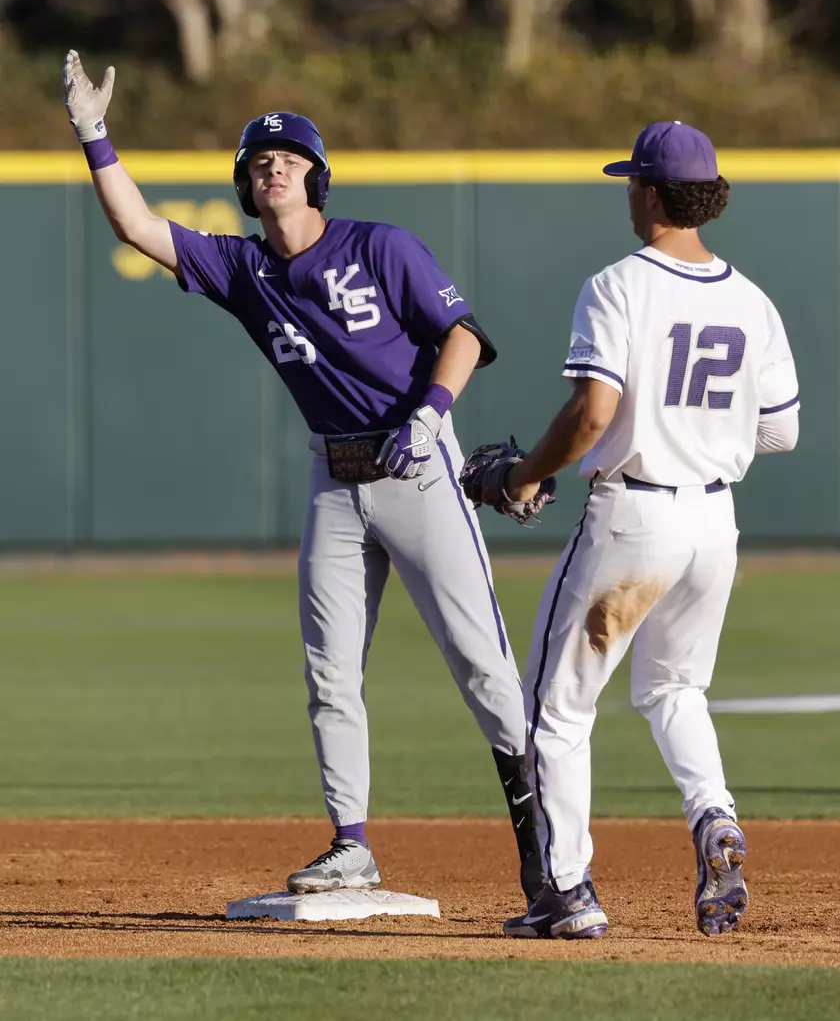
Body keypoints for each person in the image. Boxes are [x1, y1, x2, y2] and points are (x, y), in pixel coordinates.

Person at [61, 50, 542, 903]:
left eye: (289, 158)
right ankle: (351, 844)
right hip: (335, 479)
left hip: (416, 464)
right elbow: (137, 226)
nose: (273, 168)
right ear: (246, 186)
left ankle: (546, 843)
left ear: (317, 177)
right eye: (259, 162)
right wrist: (94, 131)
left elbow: (464, 334)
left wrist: (430, 413)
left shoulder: (381, 246)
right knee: (329, 674)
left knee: (480, 663)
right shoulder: (243, 270)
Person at [470, 121, 800, 940]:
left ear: (651, 194)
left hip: (635, 516)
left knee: (556, 710)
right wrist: (702, 432)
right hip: (714, 521)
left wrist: (524, 474)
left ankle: (567, 893)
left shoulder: (618, 285)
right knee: (675, 690)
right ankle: (714, 815)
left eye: (632, 183)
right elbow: (780, 431)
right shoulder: (752, 300)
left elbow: (594, 413)